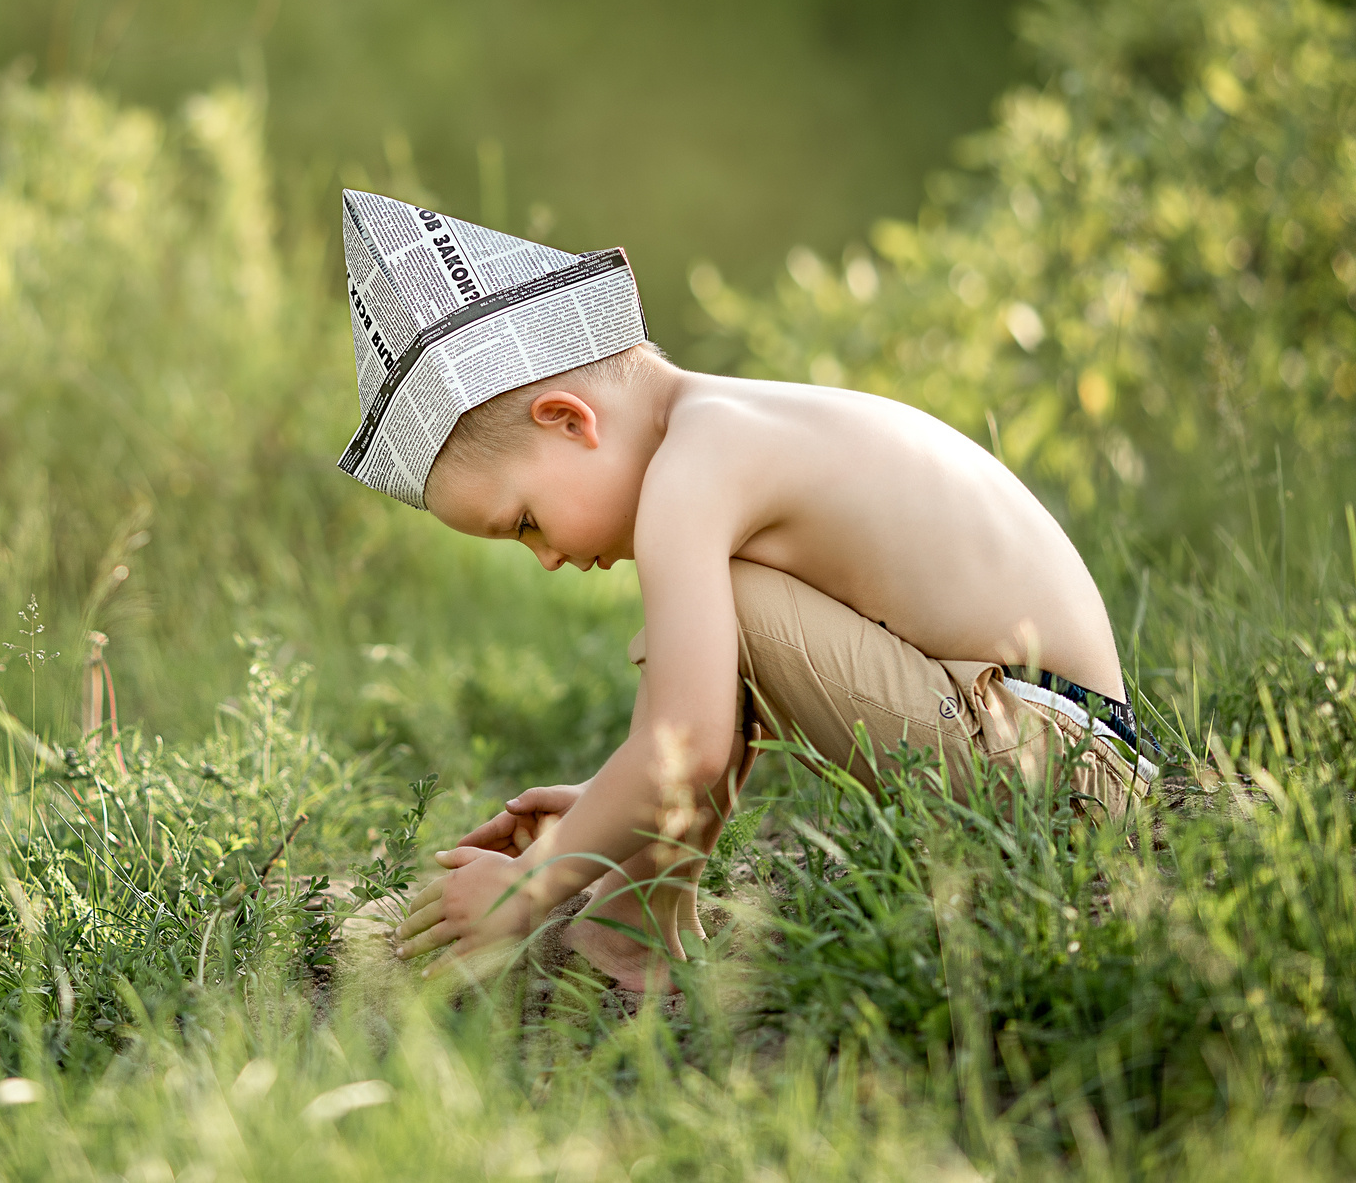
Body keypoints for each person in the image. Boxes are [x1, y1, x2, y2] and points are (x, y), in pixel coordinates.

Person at [329, 190, 1153, 991]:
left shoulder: (698, 466)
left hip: (1055, 766)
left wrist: (532, 881)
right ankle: (632, 921)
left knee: (727, 602)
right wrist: (605, 805)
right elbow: (690, 732)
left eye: (526, 522)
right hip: (1060, 748)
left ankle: (629, 924)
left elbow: (687, 746)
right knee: (717, 617)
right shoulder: (722, 425)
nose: (544, 557)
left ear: (569, 419)